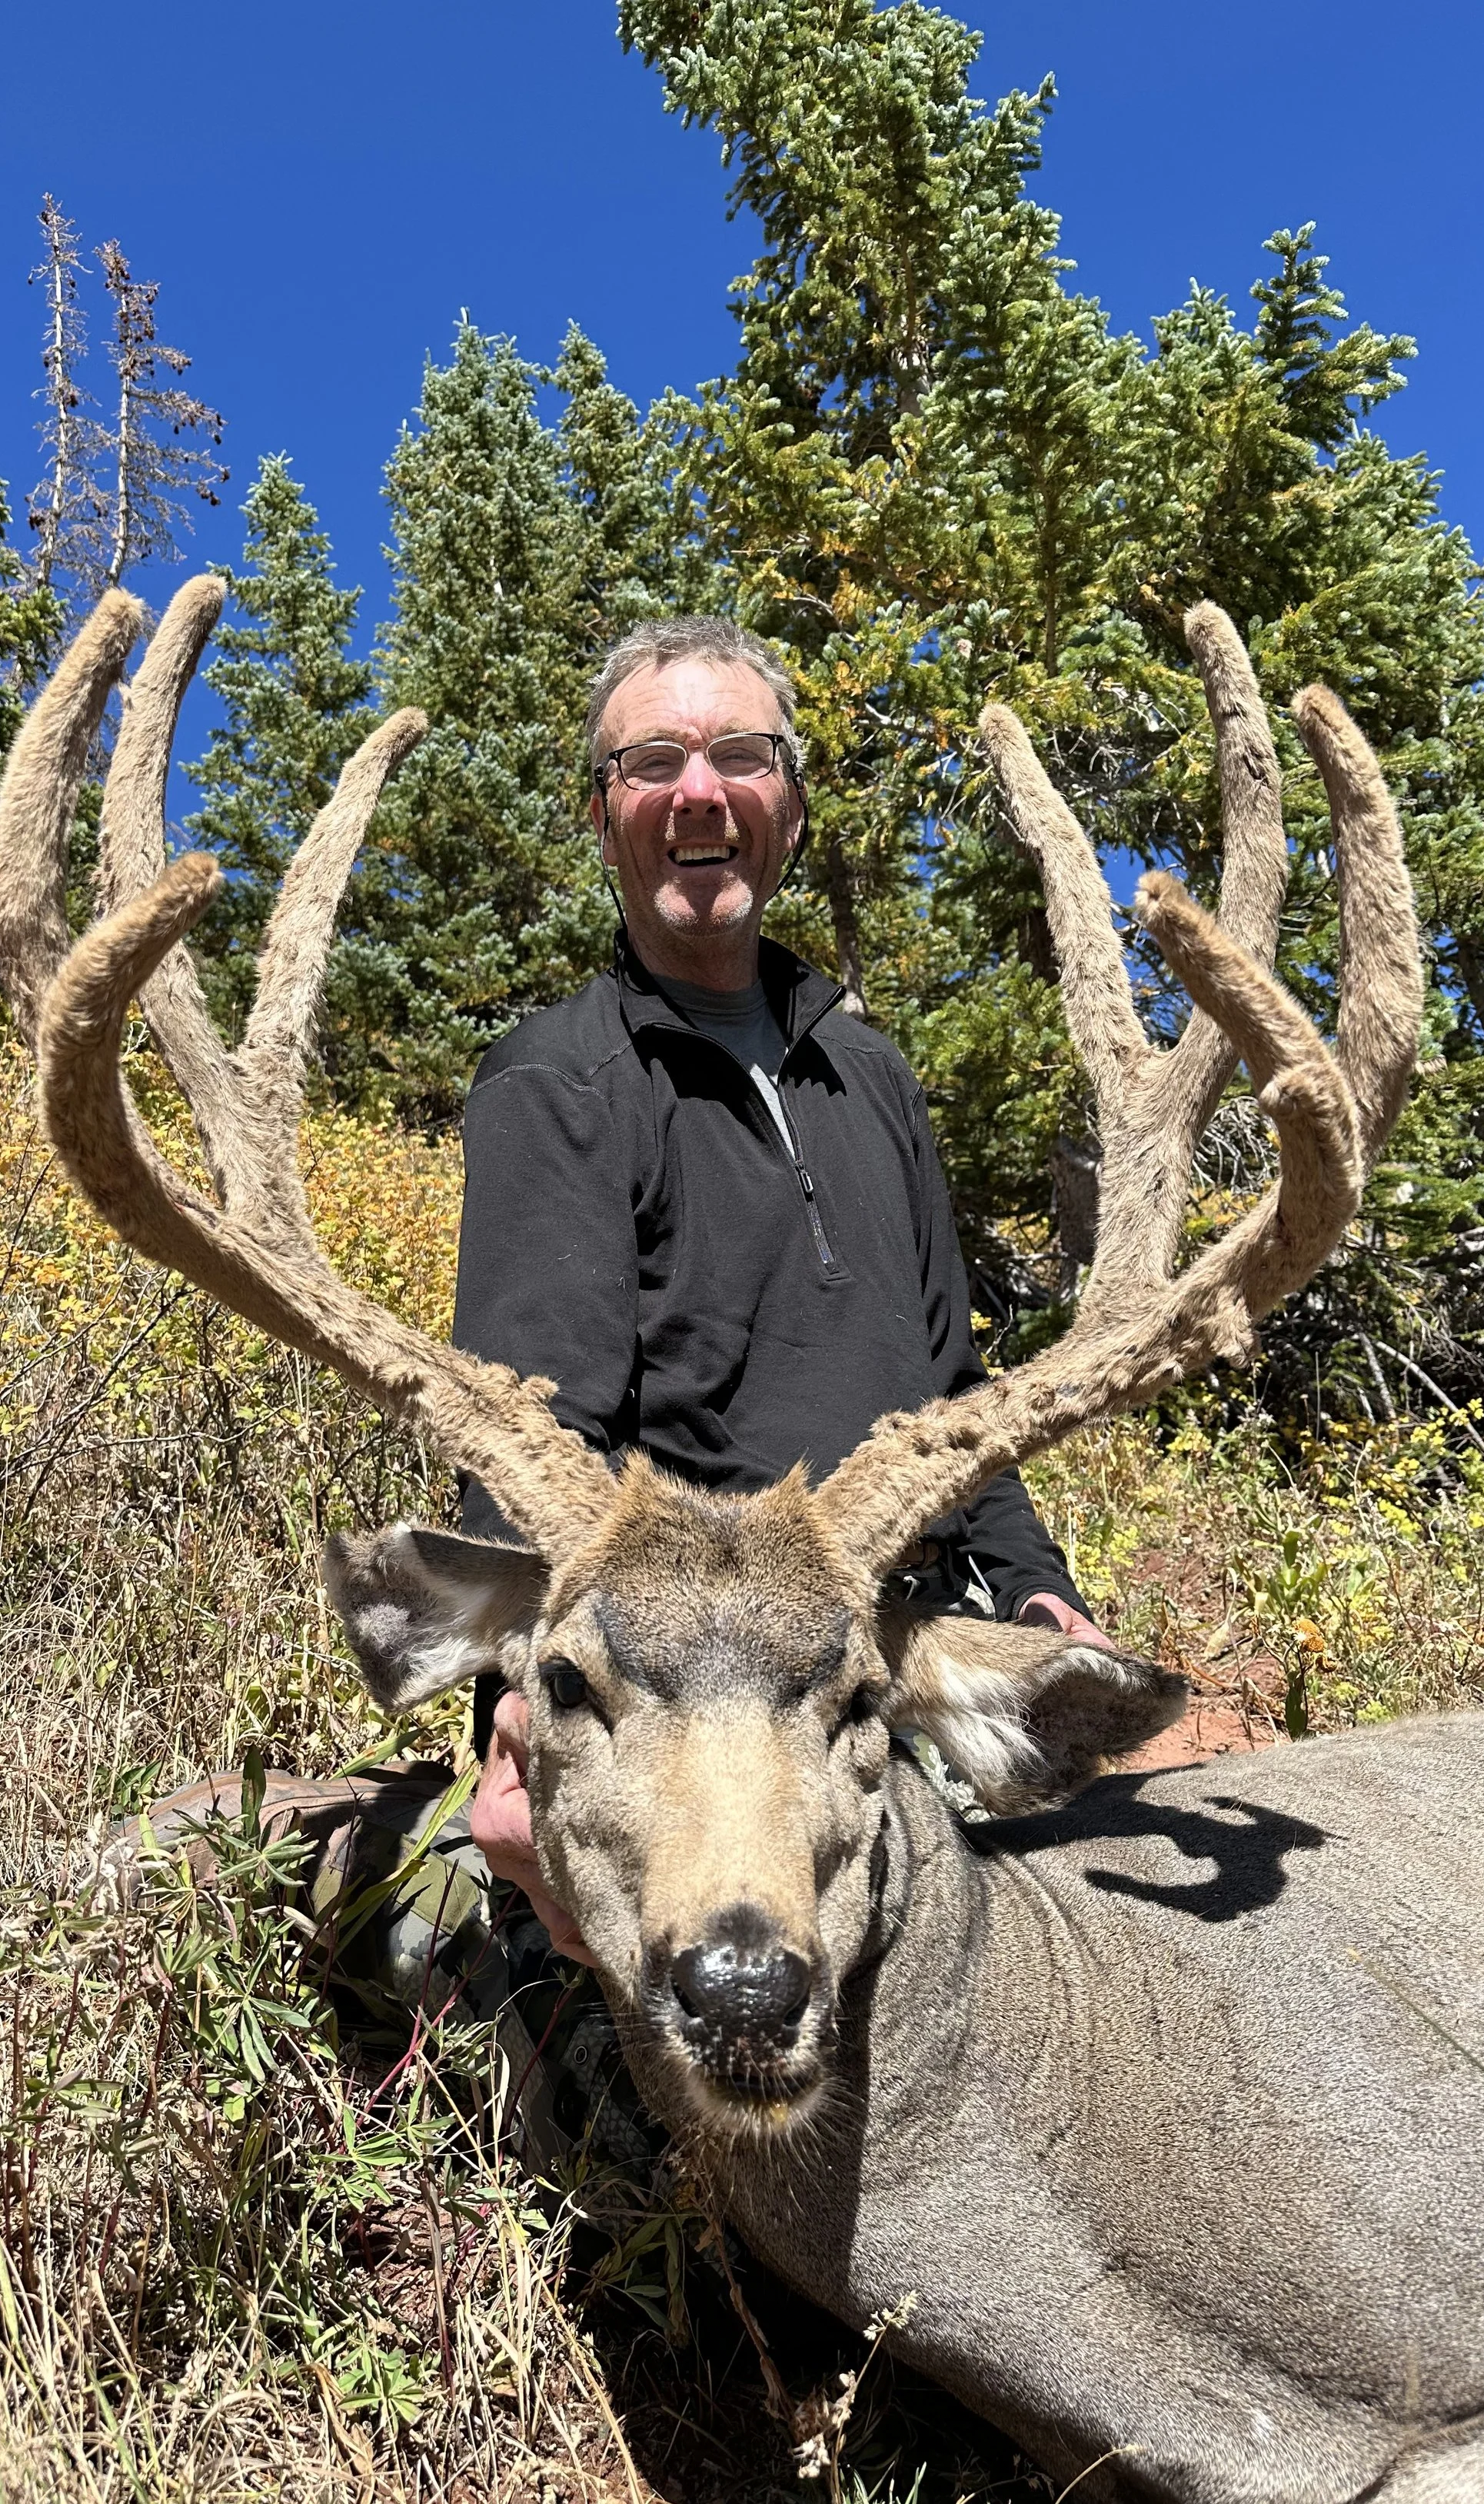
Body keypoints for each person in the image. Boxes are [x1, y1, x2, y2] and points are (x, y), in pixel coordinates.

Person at [454, 617, 1110, 1966]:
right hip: (698, 1680)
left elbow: (954, 1396)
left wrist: (1038, 1595)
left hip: (902, 1644)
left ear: (791, 809)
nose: (700, 792)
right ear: (604, 817)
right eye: (653, 763)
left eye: (741, 756)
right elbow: (523, 1436)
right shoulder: (558, 1079)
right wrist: (519, 1716)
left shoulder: (867, 1075)